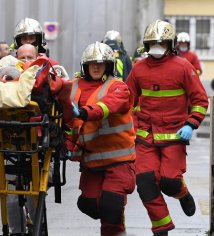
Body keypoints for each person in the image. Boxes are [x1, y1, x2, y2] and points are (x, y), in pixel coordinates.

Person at [125, 20, 209, 236]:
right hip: (145, 136)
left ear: (170, 44)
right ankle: (161, 227)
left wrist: (191, 124)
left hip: (174, 135)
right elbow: (128, 100)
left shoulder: (183, 67)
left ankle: (182, 193)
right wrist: (132, 125)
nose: (157, 45)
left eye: (161, 42)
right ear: (146, 44)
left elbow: (200, 100)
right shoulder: (139, 68)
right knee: (145, 183)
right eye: (153, 42)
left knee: (170, 182)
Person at [68, 41, 136, 236]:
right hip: (92, 162)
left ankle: (116, 226)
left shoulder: (118, 87)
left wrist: (84, 112)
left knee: (111, 208)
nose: (96, 67)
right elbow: (66, 121)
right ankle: (112, 217)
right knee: (87, 204)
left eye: (101, 63)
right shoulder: (73, 86)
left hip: (119, 161)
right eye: (92, 63)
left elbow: (107, 106)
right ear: (85, 66)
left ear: (109, 66)